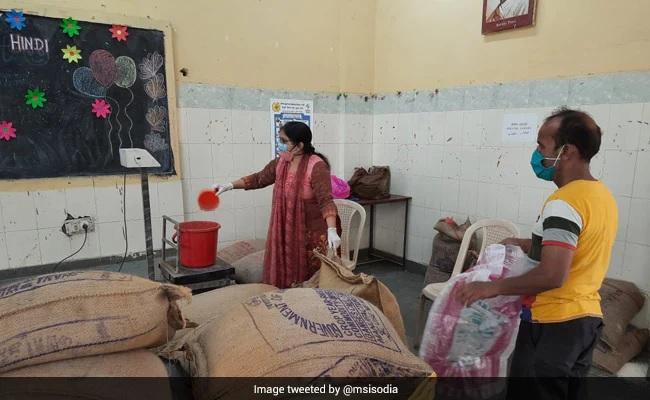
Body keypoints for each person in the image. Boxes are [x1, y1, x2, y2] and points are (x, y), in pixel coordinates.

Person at [456, 108, 618, 400]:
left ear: (566, 151)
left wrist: (491, 287)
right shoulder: (600, 195)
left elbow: (553, 274)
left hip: (553, 326)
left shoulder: (563, 203)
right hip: (585, 321)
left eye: (542, 146)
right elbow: (575, 246)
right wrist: (525, 242)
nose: (536, 153)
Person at [213, 121, 341, 289]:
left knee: (310, 278)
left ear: (299, 145)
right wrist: (229, 185)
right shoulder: (282, 162)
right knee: (285, 270)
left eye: (284, 141)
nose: (281, 145)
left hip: (310, 235)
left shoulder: (316, 166)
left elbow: (326, 200)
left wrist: (332, 230)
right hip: (285, 230)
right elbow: (259, 178)